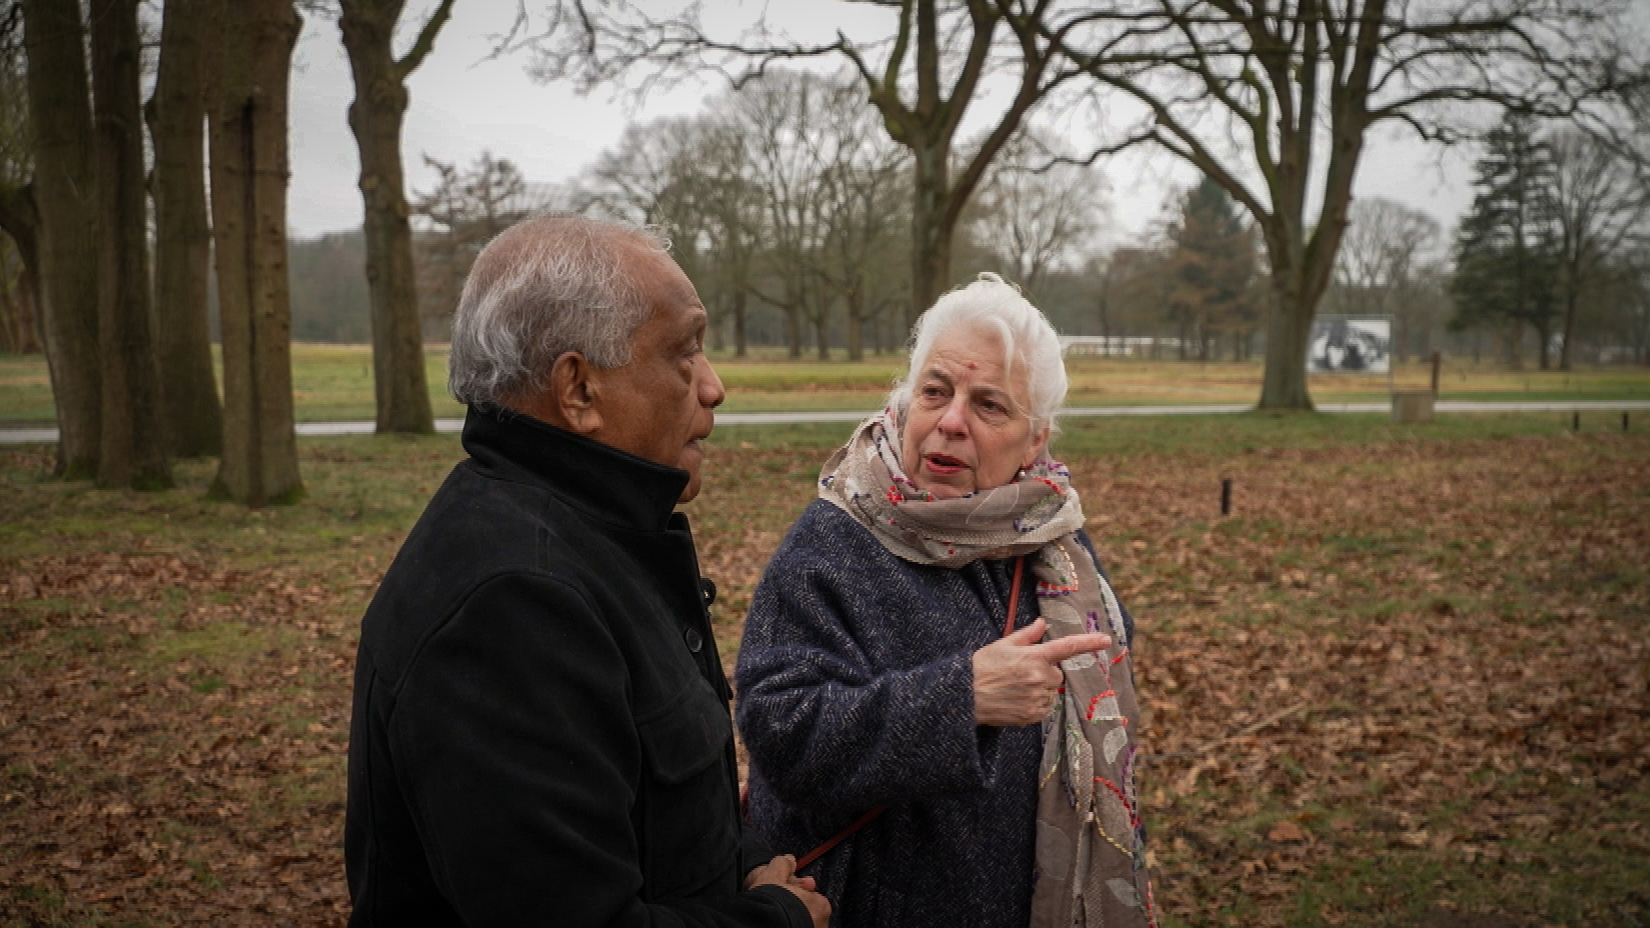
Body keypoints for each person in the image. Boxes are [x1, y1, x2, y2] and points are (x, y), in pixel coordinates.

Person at [345, 215, 830, 928]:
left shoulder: (592, 538)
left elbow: (650, 812)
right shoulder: (515, 603)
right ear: (578, 390)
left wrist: (742, 862)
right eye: (685, 351)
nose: (715, 387)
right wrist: (776, 919)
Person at [736, 273, 1157, 928]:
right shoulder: (832, 544)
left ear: (1036, 439)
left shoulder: (1053, 541)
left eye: (990, 405)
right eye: (936, 391)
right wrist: (960, 699)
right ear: (906, 400)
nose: (952, 421)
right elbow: (782, 733)